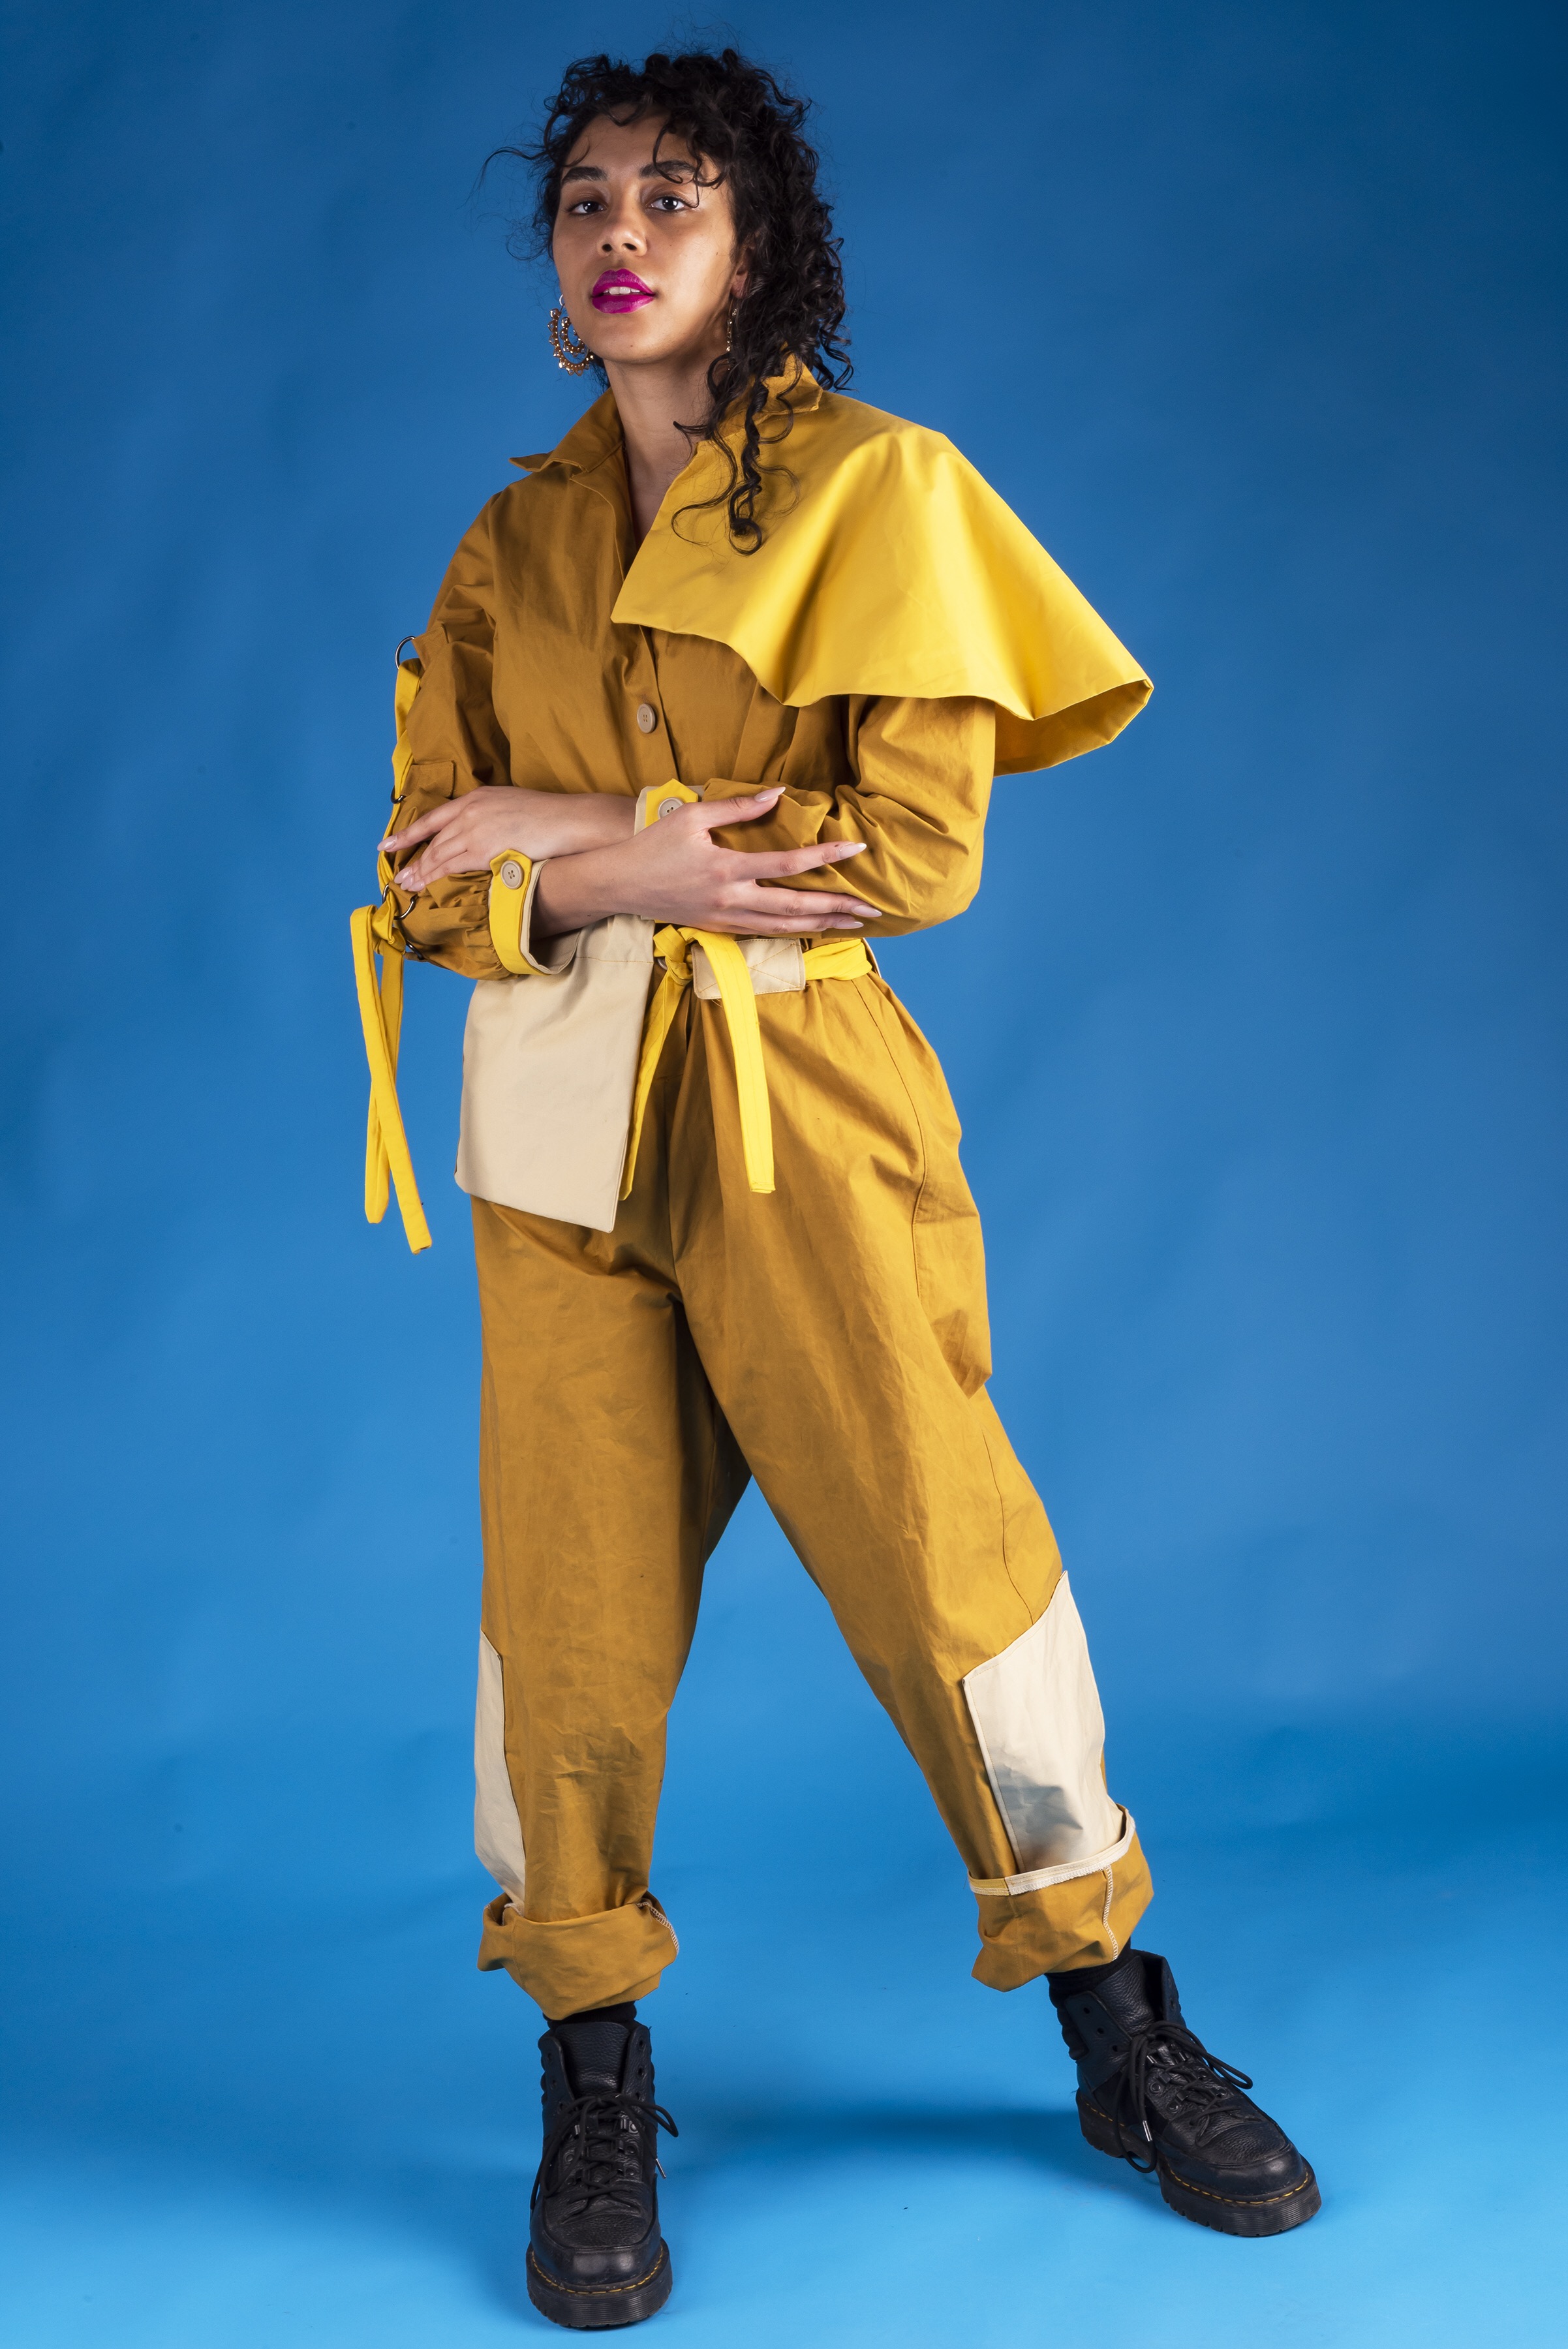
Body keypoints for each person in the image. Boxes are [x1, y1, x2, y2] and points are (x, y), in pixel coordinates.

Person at [351, 46, 1319, 2329]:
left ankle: (1115, 2020)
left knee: (935, 1551)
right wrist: (630, 858)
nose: (619, 233)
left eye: (672, 196)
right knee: (563, 1612)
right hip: (556, 1133)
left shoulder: (887, 491)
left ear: (757, 242)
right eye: (586, 198)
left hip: (803, 1107)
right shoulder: (511, 543)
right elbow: (418, 869)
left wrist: (571, 844)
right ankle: (592, 2064)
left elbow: (902, 853)